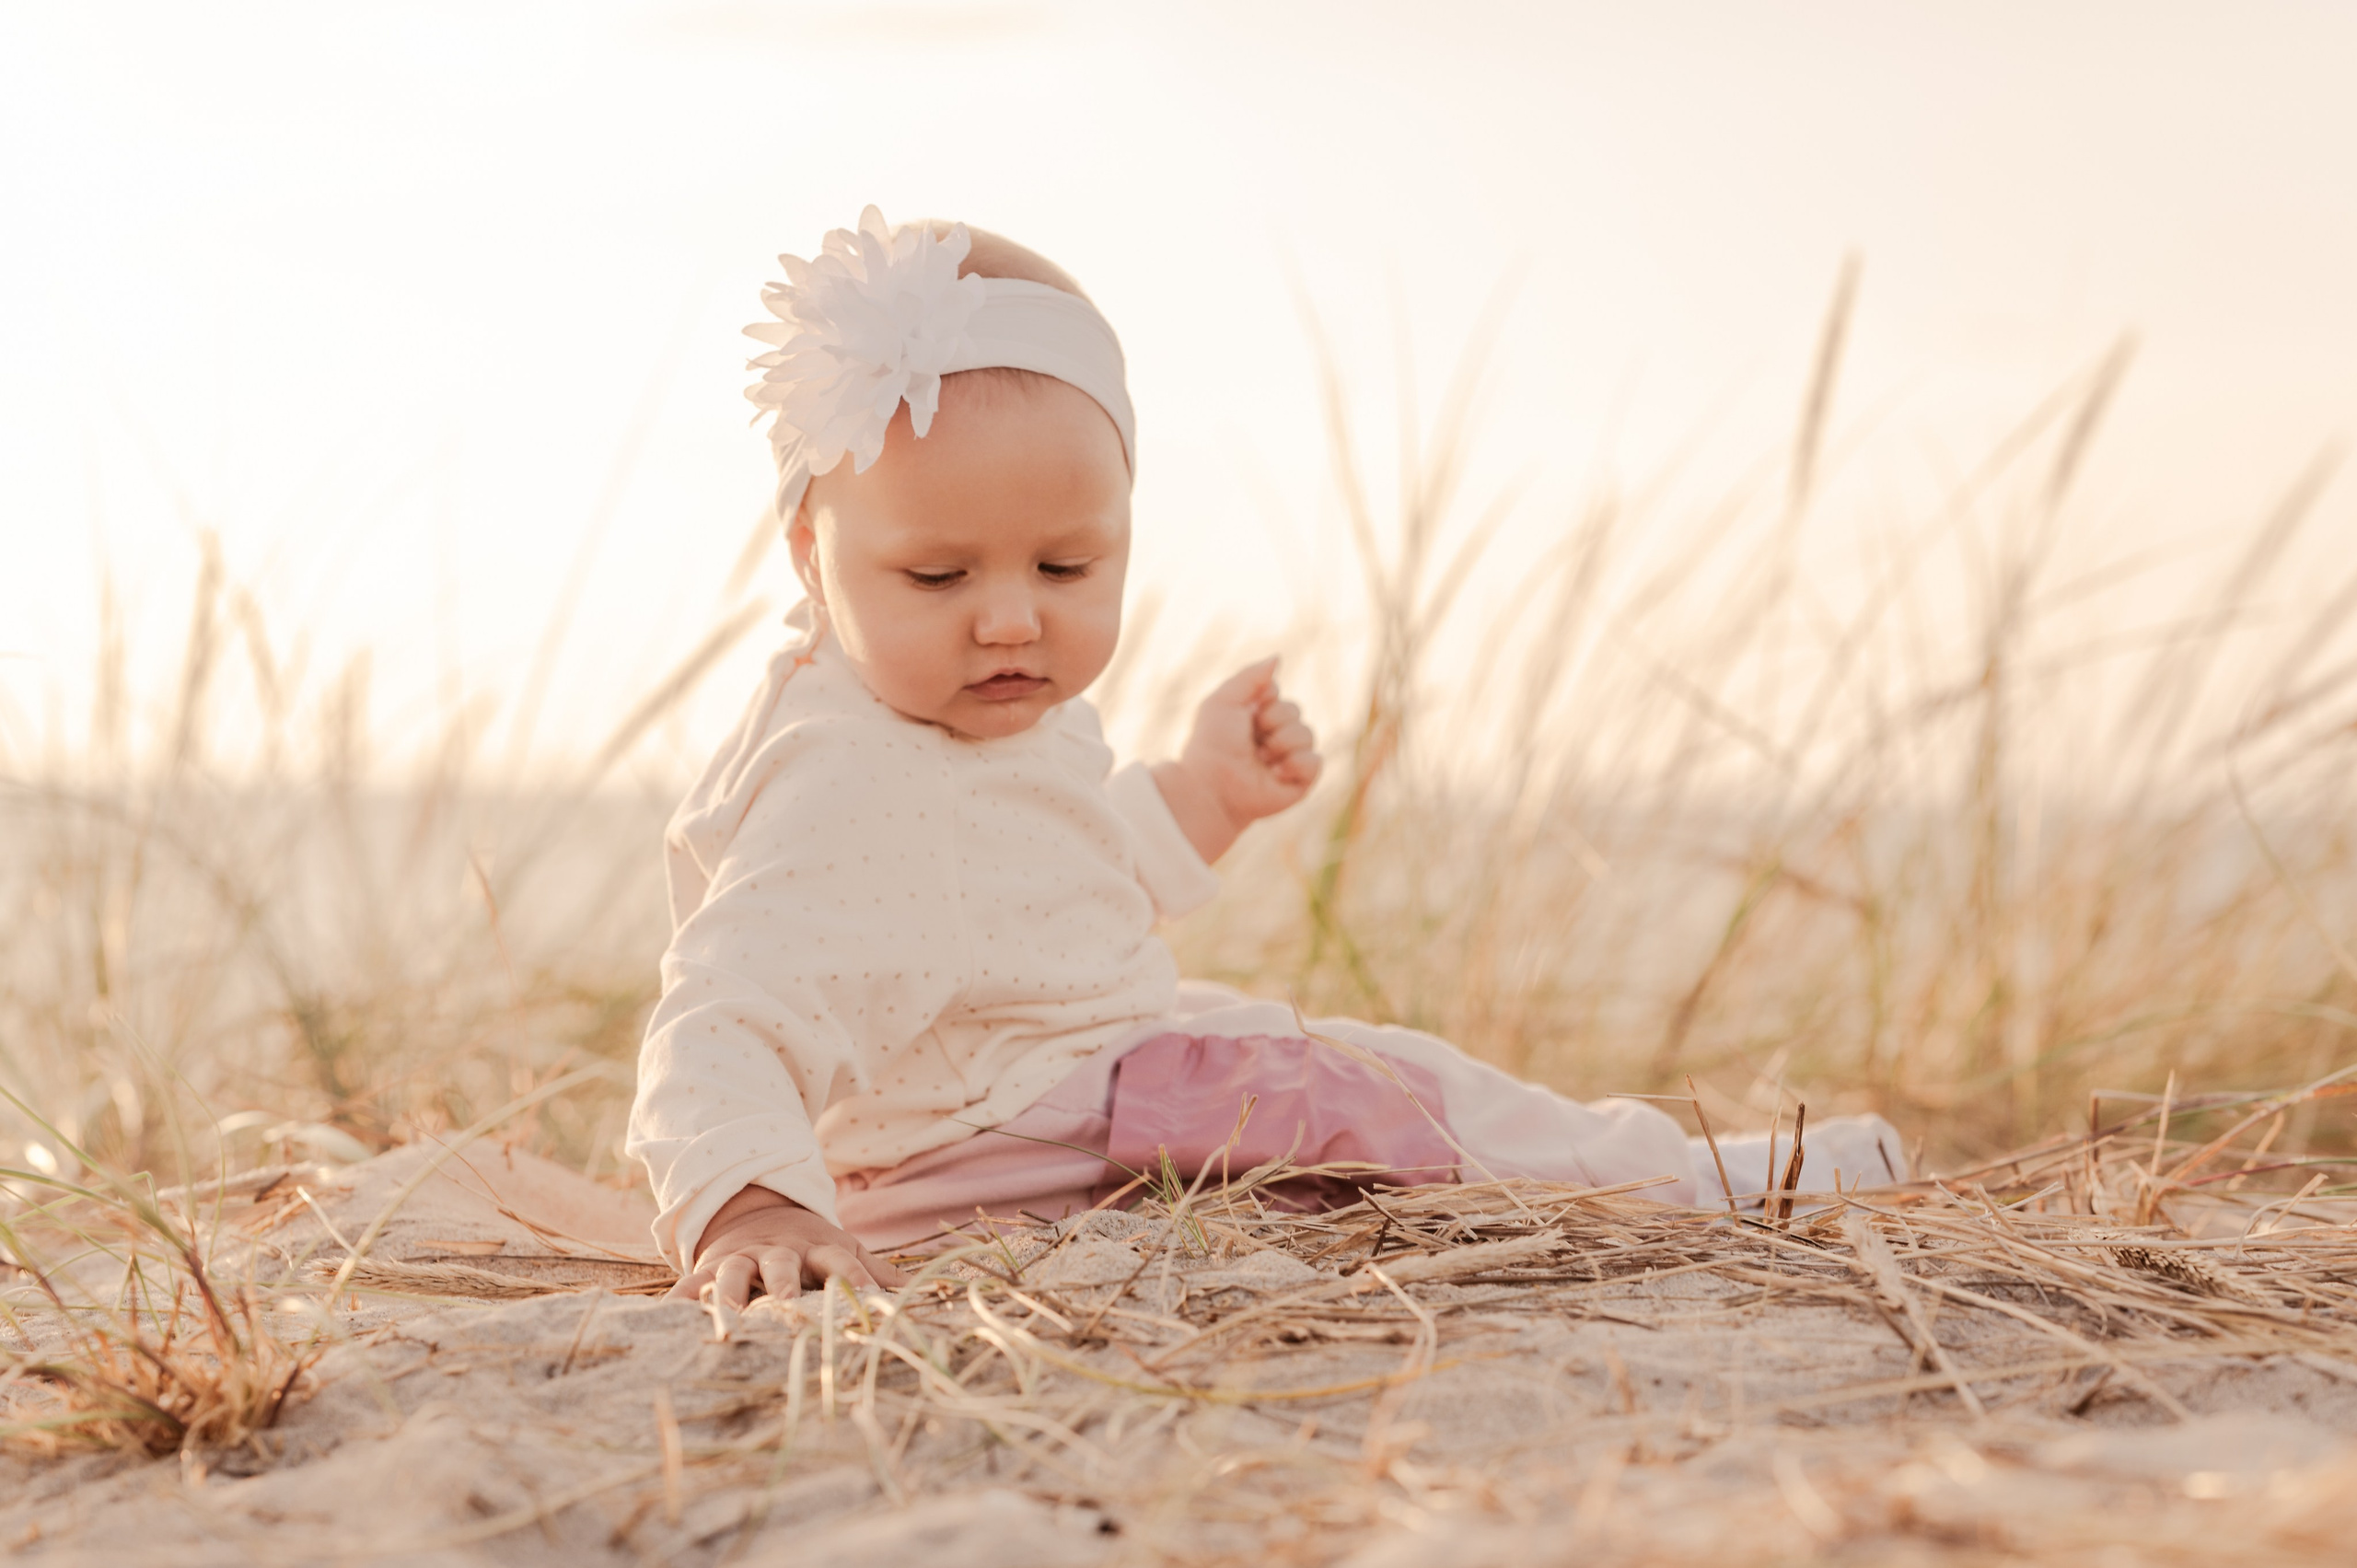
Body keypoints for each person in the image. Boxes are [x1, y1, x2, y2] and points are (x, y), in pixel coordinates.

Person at [630, 208, 1902, 1311]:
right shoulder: (842, 781)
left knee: (1330, 1096)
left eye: (1066, 567)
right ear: (810, 550)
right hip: (1039, 1138)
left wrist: (1201, 794)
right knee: (1385, 1090)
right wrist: (750, 1208)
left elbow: (1016, 891)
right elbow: (726, 1010)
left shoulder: (952, 706)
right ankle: (1697, 1183)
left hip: (1044, 1112)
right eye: (938, 572)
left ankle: (1671, 1171)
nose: (1011, 616)